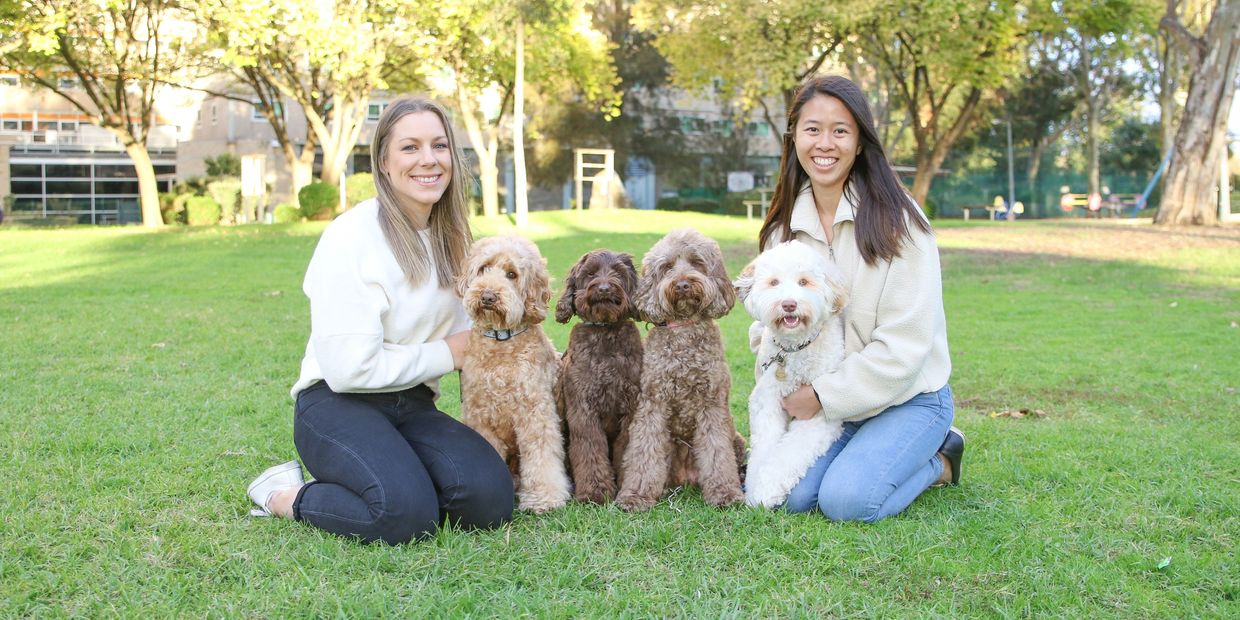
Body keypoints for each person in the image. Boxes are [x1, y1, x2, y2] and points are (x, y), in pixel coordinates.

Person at [246, 98, 514, 544]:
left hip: (411, 403)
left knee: (489, 500)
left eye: (440, 145)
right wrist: (449, 352)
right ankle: (280, 493)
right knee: (403, 516)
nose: (428, 159)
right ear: (384, 162)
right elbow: (351, 370)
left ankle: (402, 474)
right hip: (336, 404)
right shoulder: (351, 237)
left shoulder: (453, 239)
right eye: (410, 147)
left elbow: (480, 334)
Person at [753, 75, 964, 522]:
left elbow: (905, 349)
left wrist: (824, 396)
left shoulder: (900, 223)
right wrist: (782, 383)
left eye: (840, 130)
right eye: (812, 129)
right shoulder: (783, 228)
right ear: (794, 139)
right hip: (829, 399)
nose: (824, 143)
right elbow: (768, 325)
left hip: (908, 396)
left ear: (860, 142)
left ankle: (940, 459)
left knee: (848, 501)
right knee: (791, 498)